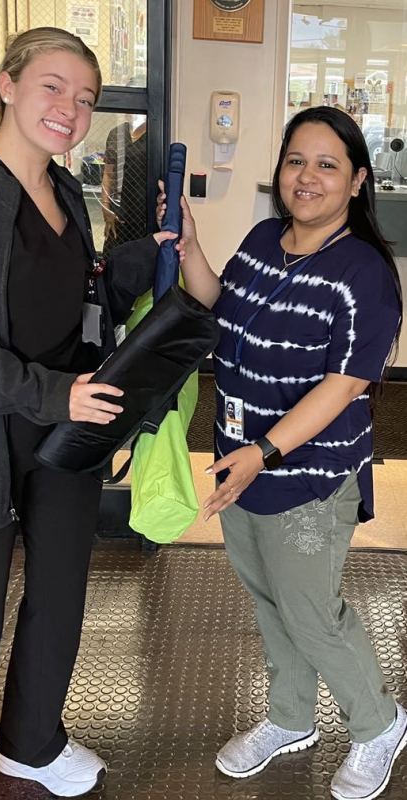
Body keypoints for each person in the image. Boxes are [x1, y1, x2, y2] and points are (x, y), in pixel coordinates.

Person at [0, 27, 176, 800]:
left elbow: (82, 302)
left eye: (84, 98)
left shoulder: (63, 194)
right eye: (52, 86)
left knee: (58, 597)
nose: (69, 109)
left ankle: (31, 744)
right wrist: (53, 394)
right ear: (5, 86)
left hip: (62, 434)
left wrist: (143, 259)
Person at [162, 106, 406, 800]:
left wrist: (262, 452)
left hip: (307, 476)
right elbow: (221, 304)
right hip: (241, 461)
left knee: (309, 611)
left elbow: (343, 386)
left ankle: (378, 724)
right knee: (270, 602)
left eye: (327, 164)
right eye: (296, 160)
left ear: (357, 180)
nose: (307, 177)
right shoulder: (265, 238)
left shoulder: (362, 273)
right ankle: (289, 717)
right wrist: (188, 248)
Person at [101, 107, 147, 255]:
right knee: (112, 256)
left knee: (137, 259)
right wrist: (105, 207)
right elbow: (108, 174)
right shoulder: (116, 133)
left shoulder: (155, 134)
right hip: (118, 206)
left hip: (143, 210)